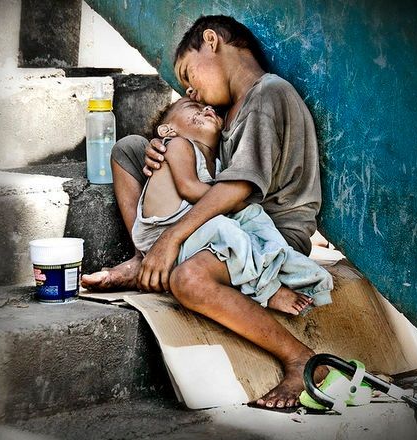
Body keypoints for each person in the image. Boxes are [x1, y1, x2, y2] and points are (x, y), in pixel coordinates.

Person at [82, 15, 329, 409]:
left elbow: (237, 189)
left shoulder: (267, 95)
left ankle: (301, 360)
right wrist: (160, 155)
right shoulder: (227, 110)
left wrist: (172, 237)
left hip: (271, 234)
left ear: (211, 41)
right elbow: (201, 180)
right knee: (127, 149)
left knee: (189, 281)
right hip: (223, 226)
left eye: (186, 73)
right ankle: (145, 256)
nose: (190, 89)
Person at [132, 96, 333, 313]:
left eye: (206, 107)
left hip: (189, 237)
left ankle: (291, 267)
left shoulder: (218, 164)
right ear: (167, 131)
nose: (206, 109)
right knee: (228, 229)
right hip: (159, 236)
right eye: (192, 108)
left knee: (255, 221)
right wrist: (234, 204)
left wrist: (243, 210)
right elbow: (188, 188)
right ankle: (269, 291)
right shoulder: (178, 145)